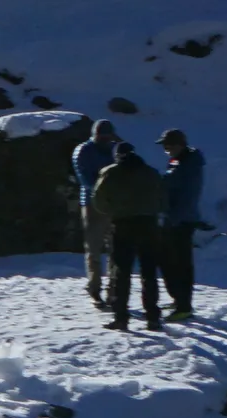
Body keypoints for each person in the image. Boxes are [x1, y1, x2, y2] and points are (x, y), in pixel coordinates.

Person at [88, 140, 168, 331]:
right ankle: (153, 317)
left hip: (123, 224)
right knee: (148, 272)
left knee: (121, 272)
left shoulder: (110, 172)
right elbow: (164, 200)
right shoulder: (151, 172)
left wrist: (113, 212)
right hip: (148, 225)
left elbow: (98, 200)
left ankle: (121, 317)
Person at [154, 128, 206, 322]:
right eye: (164, 146)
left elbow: (186, 195)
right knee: (168, 261)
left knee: (181, 263)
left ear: (180, 144)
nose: (166, 149)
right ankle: (178, 299)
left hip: (181, 220)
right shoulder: (178, 161)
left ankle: (184, 305)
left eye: (169, 145)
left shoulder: (189, 164)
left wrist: (173, 218)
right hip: (173, 218)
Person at [69, 120, 126, 289]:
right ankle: (95, 285)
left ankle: (113, 286)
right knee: (94, 247)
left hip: (115, 205)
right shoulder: (83, 151)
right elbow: (86, 179)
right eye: (101, 137)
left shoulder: (115, 149)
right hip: (92, 204)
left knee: (115, 247)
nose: (104, 140)